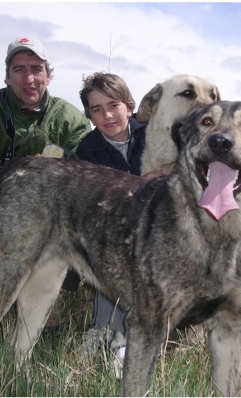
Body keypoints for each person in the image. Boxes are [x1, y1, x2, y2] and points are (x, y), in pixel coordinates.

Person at [0, 37, 91, 315]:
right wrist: (12, 192)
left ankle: (46, 304)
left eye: (36, 68)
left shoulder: (72, 120)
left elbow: (87, 174)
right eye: (19, 69)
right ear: (7, 77)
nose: (29, 77)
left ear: (49, 75)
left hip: (47, 218)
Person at [76, 72, 162, 377]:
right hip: (113, 227)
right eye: (96, 110)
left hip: (159, 226)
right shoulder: (87, 150)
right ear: (89, 115)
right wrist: (140, 183)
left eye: (113, 105)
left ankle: (119, 339)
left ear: (129, 105)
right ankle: (103, 333)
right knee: (118, 254)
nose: (107, 115)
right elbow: (97, 202)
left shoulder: (153, 132)